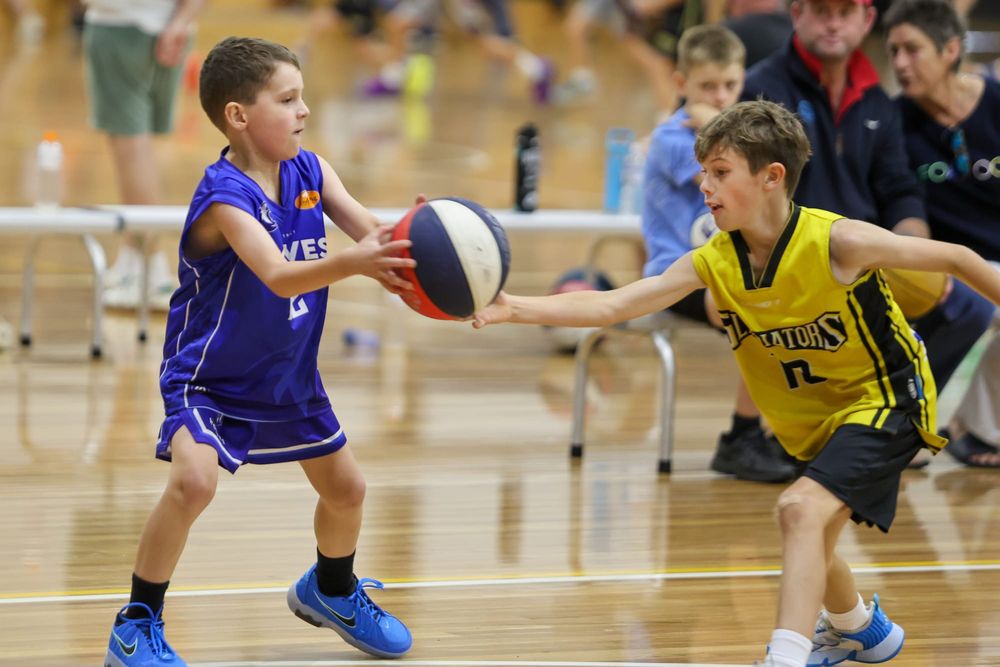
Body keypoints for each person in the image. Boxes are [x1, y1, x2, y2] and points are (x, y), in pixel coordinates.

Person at [473, 99, 1000, 667]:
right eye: (704, 172)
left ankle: (784, 656)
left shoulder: (836, 242)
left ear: (772, 177)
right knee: (812, 535)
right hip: (815, 418)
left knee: (799, 510)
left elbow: (955, 256)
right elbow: (614, 304)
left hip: (887, 397)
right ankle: (860, 630)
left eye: (720, 172)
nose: (704, 185)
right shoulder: (716, 259)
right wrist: (512, 308)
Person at [103, 36, 417, 666]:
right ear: (239, 116)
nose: (304, 111)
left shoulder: (313, 171)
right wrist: (357, 262)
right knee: (193, 483)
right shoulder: (224, 196)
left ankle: (330, 591)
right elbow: (277, 273)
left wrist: (420, 240)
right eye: (288, 98)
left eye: (303, 97)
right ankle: (136, 622)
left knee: (348, 491)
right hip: (209, 377)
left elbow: (369, 229)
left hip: (288, 375)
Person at [739, 0, 995, 468]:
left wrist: (909, 244)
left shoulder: (878, 102)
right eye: (821, 11)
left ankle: (892, 424)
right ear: (797, 14)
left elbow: (899, 190)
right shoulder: (761, 87)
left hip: (864, 255)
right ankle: (862, 426)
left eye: (844, 11)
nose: (833, 22)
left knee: (969, 306)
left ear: (865, 20)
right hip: (794, 259)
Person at [642, 24, 796, 482]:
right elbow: (735, 182)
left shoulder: (728, 140)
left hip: (722, 271)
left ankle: (788, 431)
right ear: (680, 85)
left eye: (731, 85)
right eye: (708, 86)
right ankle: (741, 438)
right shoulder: (672, 139)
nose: (722, 96)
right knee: (757, 315)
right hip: (674, 277)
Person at [885, 0, 1000, 468]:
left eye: (912, 50)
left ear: (951, 49)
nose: (899, 64)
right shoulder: (894, 122)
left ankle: (973, 427)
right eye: (893, 51)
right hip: (952, 267)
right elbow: (901, 202)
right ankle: (975, 430)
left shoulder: (995, 102)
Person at [83, 0, 206, 310]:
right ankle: (132, 258)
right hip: (173, 28)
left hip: (121, 27)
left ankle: (154, 269)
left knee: (130, 146)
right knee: (142, 144)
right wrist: (180, 22)